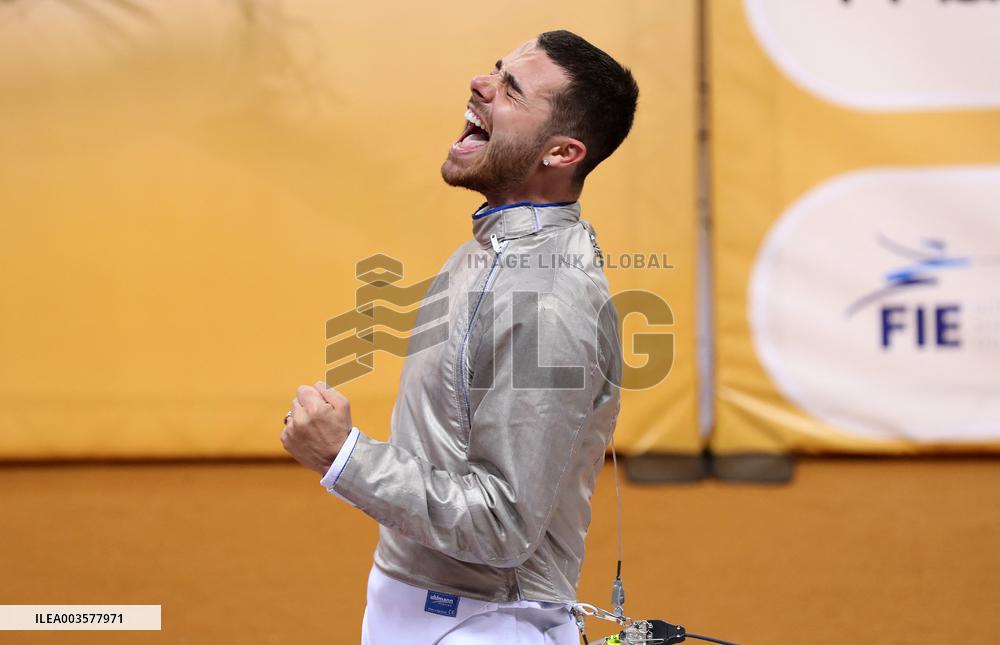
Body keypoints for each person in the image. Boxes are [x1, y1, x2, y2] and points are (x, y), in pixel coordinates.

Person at [281, 29, 638, 644]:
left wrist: (345, 457)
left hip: (480, 623)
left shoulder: (547, 299)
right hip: (432, 609)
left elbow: (503, 525)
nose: (481, 83)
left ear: (561, 153)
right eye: (497, 69)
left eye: (511, 89)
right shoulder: (492, 250)